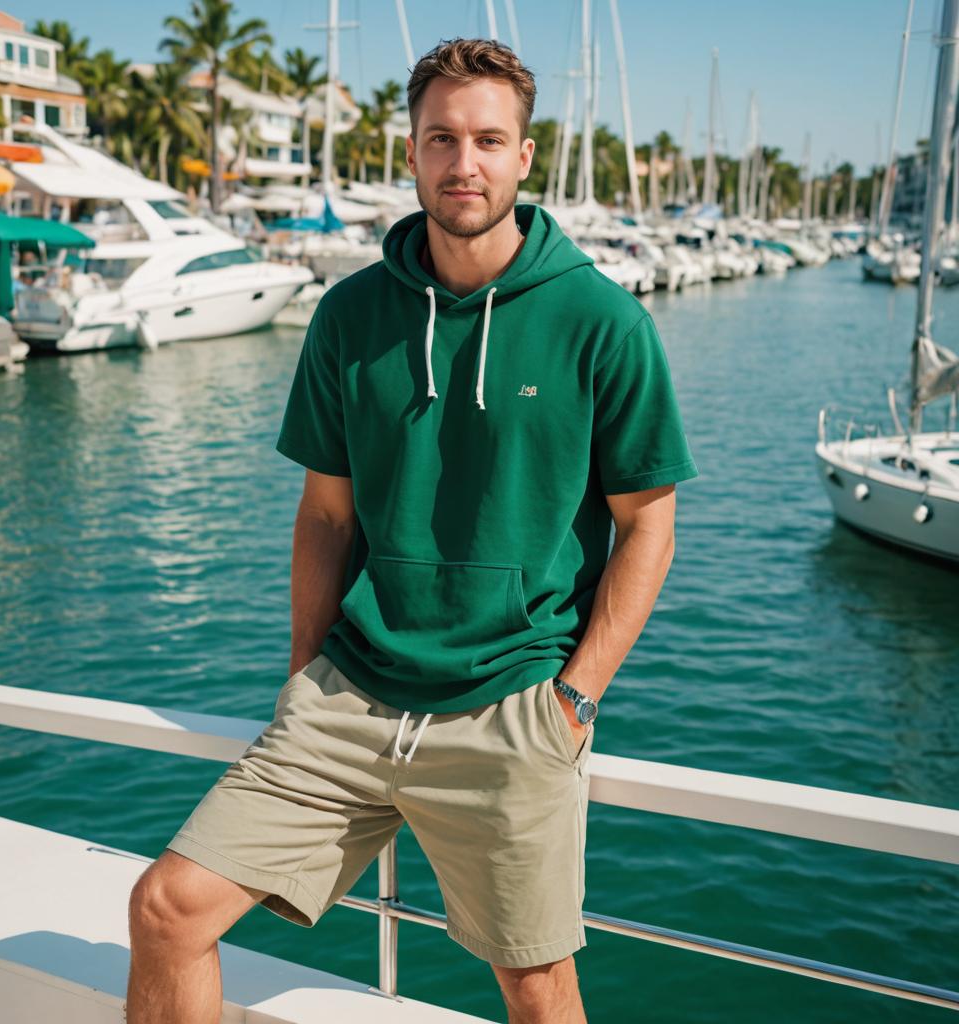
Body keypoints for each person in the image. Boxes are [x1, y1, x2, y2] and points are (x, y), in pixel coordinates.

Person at [126, 38, 698, 1024]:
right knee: (167, 908)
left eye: (486, 139)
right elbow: (325, 514)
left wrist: (574, 697)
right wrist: (306, 668)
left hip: (511, 703)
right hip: (349, 695)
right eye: (441, 137)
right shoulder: (350, 315)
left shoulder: (604, 324)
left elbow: (648, 525)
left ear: (525, 157)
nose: (462, 162)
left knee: (536, 984)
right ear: (412, 151)